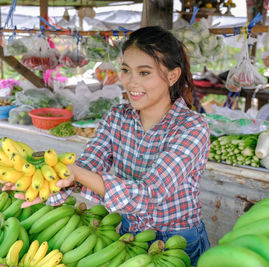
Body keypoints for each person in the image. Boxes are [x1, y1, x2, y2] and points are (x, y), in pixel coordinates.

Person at [15, 26, 210, 265]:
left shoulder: (192, 127)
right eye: (126, 70)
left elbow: (150, 194)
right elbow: (88, 165)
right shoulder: (117, 116)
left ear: (172, 76)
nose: (131, 82)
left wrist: (75, 173)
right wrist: (49, 181)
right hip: (128, 236)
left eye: (145, 72)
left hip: (178, 243)